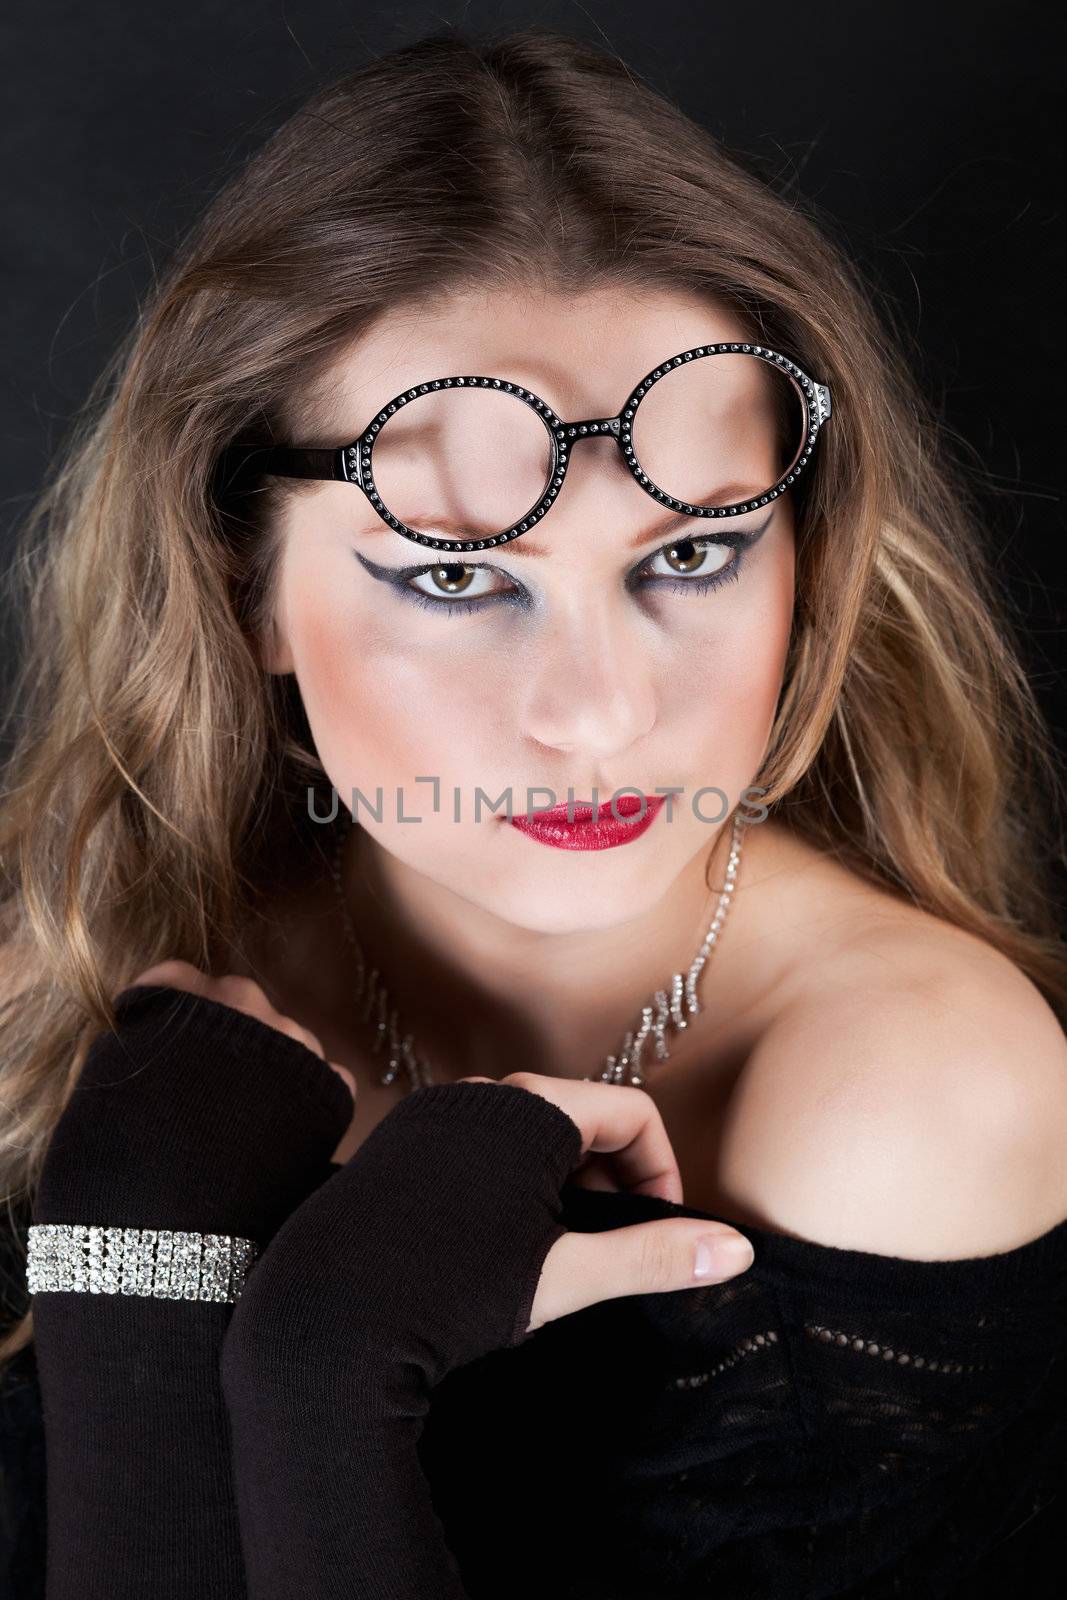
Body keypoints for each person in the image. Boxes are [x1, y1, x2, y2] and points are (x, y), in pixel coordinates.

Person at [2, 23, 1067, 1600]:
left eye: (689, 556)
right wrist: (139, 1303)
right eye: (454, 576)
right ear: (244, 592)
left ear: (810, 559)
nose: (598, 715)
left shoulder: (909, 1101)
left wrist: (315, 1385)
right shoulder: (59, 984)